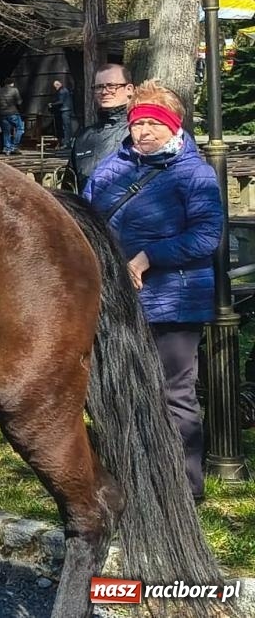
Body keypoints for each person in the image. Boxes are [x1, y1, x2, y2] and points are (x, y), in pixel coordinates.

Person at [82, 82, 219, 501]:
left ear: (172, 126)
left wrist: (147, 257)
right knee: (118, 391)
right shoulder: (111, 168)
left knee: (174, 392)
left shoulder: (194, 174)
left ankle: (183, 485)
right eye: (136, 122)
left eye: (152, 124)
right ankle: (130, 479)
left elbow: (207, 236)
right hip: (115, 298)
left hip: (173, 300)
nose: (142, 131)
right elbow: (86, 219)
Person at [67, 63, 134, 193]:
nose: (104, 92)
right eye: (99, 87)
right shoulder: (83, 137)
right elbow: (70, 188)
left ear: (129, 89)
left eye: (111, 86)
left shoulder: (141, 131)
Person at [0, 79, 24, 154]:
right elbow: (19, 102)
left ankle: (7, 148)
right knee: (20, 128)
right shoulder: (15, 90)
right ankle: (14, 146)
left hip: (2, 114)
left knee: (6, 132)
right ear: (12, 83)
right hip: (13, 112)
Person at [50, 79, 75, 148]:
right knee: (67, 127)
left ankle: (67, 143)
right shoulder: (65, 90)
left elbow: (61, 101)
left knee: (66, 127)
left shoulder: (62, 91)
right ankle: (67, 142)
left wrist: (52, 104)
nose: (56, 88)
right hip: (66, 110)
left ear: (59, 85)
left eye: (56, 86)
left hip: (65, 110)